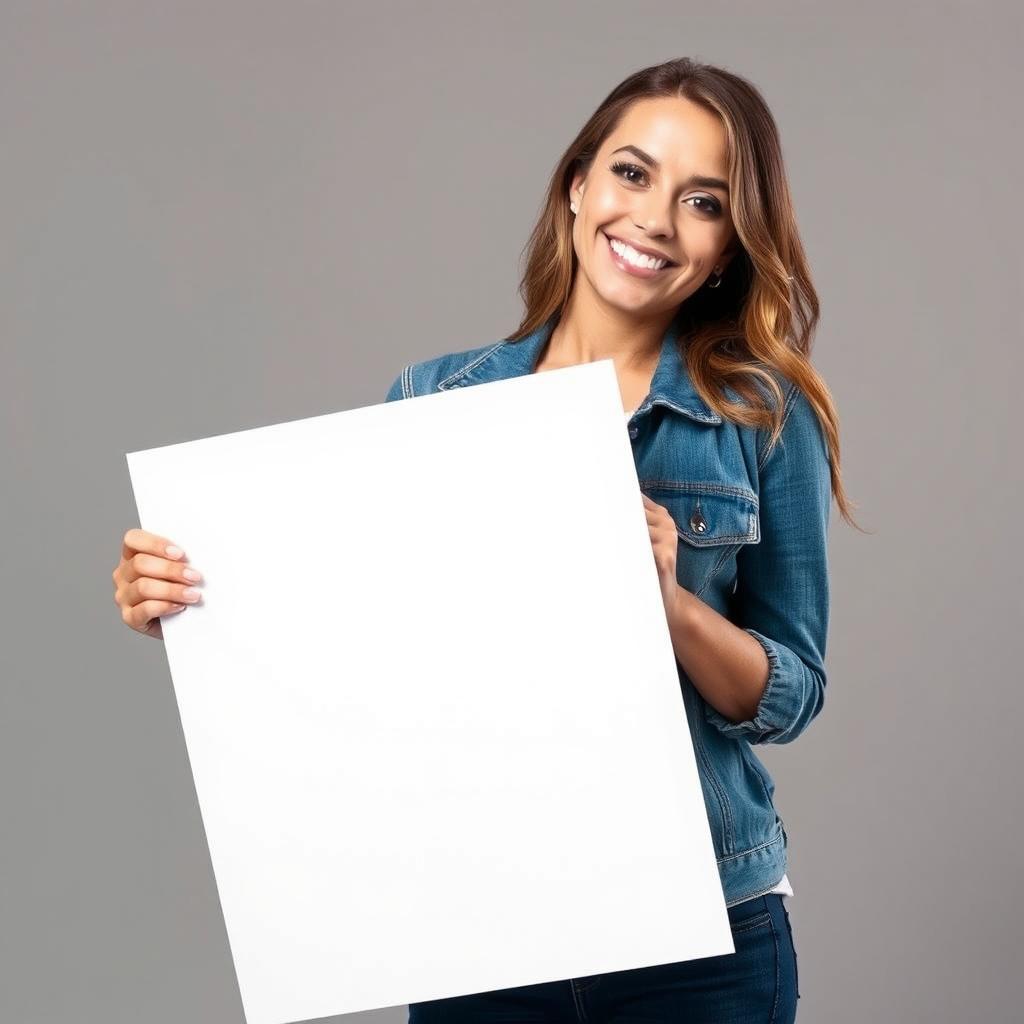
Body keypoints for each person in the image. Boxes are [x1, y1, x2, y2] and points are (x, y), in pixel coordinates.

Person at [112, 56, 861, 1023]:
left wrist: (667, 607)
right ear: (578, 186)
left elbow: (791, 693)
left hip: (707, 934)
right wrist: (190, 599)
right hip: (482, 930)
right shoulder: (438, 401)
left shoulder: (763, 417)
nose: (655, 219)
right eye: (632, 174)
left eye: (704, 200)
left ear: (728, 246)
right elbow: (356, 650)